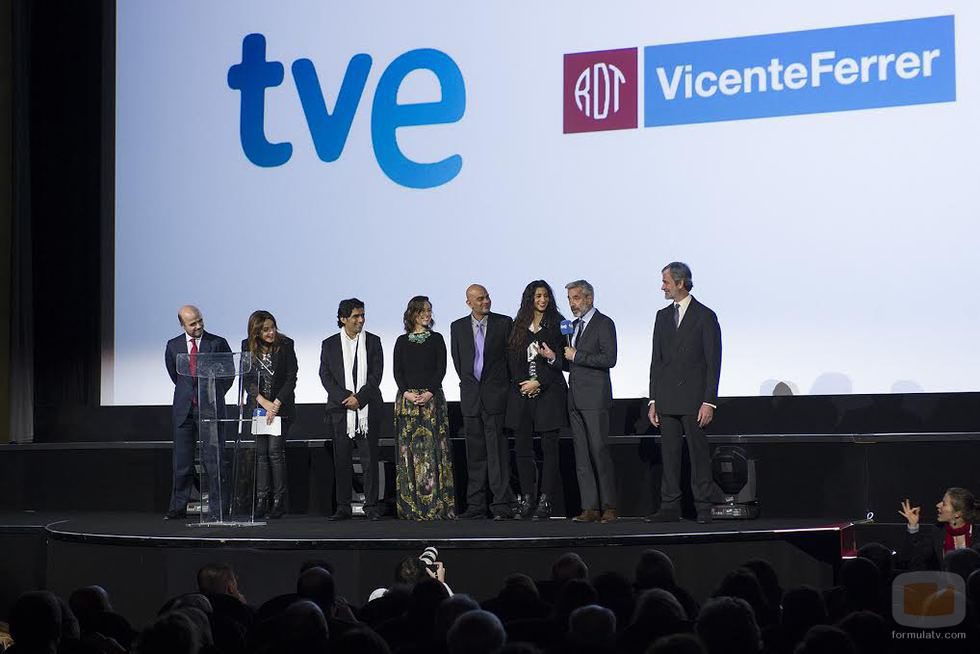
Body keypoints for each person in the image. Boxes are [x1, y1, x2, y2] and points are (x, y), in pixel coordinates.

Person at [647, 262, 722, 524]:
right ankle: (669, 507)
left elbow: (713, 362)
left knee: (698, 456)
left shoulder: (705, 316)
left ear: (681, 283)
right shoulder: (662, 316)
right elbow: (656, 361)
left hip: (694, 400)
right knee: (669, 456)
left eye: (666, 282)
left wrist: (709, 401)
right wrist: (653, 400)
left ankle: (703, 507)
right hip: (666, 399)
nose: (662, 287)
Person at [540, 280, 617, 523]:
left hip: (595, 399)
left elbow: (609, 358)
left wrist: (578, 355)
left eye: (575, 298)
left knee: (599, 452)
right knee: (582, 456)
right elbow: (570, 363)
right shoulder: (571, 327)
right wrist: (554, 358)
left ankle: (609, 506)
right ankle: (589, 507)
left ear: (588, 298)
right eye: (569, 299)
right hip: (574, 398)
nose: (572, 304)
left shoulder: (604, 323)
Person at [450, 284, 515, 520]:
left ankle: (501, 505)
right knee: (475, 455)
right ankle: (476, 505)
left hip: (495, 398)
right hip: (471, 398)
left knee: (497, 454)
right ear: (469, 303)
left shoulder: (504, 323)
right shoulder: (457, 327)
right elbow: (459, 362)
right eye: (480, 299)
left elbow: (510, 360)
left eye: (487, 297)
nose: (485, 301)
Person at [505, 280, 568, 520]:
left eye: (546, 296)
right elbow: (511, 360)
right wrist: (524, 384)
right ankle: (527, 498)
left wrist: (539, 381)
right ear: (529, 298)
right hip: (522, 396)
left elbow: (563, 362)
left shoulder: (558, 323)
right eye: (538, 296)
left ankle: (545, 500)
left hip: (549, 395)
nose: (542, 300)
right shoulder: (518, 325)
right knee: (522, 450)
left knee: (549, 450)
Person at [164, 305, 233, 520]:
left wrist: (212, 395)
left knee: (214, 461)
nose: (198, 326)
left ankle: (218, 509)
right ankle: (178, 508)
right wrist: (190, 395)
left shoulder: (217, 343)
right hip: (184, 410)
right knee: (182, 462)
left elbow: (228, 374)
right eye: (192, 323)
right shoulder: (173, 345)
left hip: (211, 410)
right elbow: (175, 375)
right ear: (182, 325)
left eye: (200, 321)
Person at [319, 298, 385, 521]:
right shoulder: (329, 344)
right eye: (356, 316)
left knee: (369, 461)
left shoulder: (373, 341)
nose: (361, 320)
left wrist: (360, 398)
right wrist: (345, 398)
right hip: (340, 411)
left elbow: (376, 374)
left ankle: (371, 506)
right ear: (343, 318)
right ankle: (343, 506)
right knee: (342, 460)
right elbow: (325, 376)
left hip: (368, 409)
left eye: (362, 315)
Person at [392, 296, 456, 520]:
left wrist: (429, 392)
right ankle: (412, 508)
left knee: (433, 452)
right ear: (412, 314)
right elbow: (397, 371)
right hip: (407, 403)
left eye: (429, 310)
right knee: (409, 454)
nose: (427, 314)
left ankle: (437, 507)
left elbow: (441, 369)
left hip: (432, 401)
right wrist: (407, 393)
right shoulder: (401, 341)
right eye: (422, 311)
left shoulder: (437, 339)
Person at [242, 310, 298, 519]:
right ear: (256, 331)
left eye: (272, 327)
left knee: (275, 452)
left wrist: (276, 404)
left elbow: (291, 377)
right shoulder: (246, 346)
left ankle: (278, 500)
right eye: (265, 329)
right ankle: (261, 499)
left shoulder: (286, 344)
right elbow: (247, 378)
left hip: (281, 407)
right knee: (261, 454)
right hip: (259, 408)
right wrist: (263, 402)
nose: (271, 332)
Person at [899, 487, 980, 570]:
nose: (938, 505)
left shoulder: (977, 536)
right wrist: (913, 526)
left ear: (957, 514)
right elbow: (911, 560)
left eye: (944, 504)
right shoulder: (936, 533)